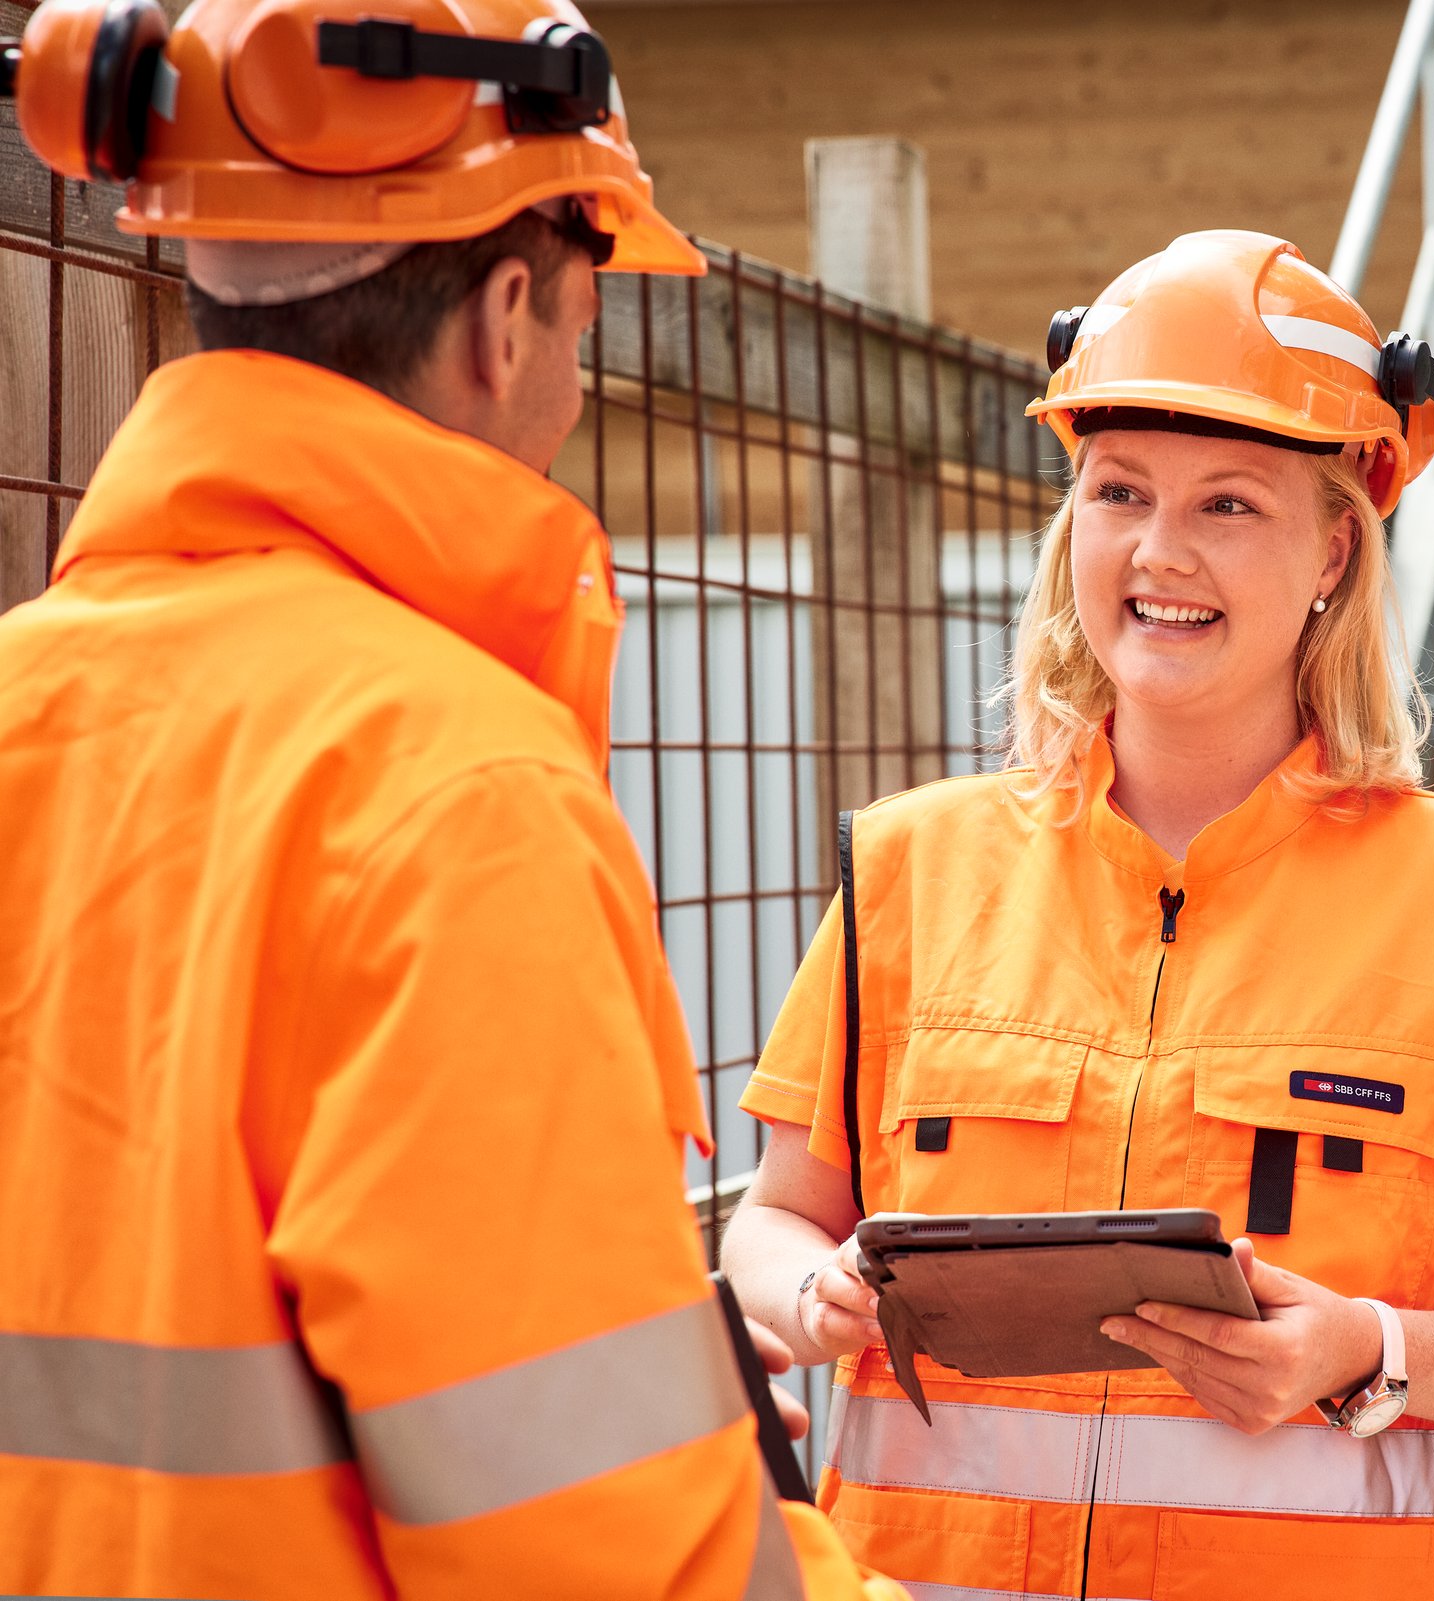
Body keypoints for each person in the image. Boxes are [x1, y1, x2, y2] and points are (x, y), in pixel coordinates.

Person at [0, 0, 897, 1595]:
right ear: (503, 316)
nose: (574, 378)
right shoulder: (455, 791)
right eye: (584, 325)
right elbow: (606, 1552)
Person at [721, 228, 1434, 1601]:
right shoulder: (910, 871)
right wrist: (813, 1293)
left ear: (1337, 547)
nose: (1160, 551)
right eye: (1119, 492)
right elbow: (769, 1221)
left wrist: (1362, 1348)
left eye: (1230, 503)